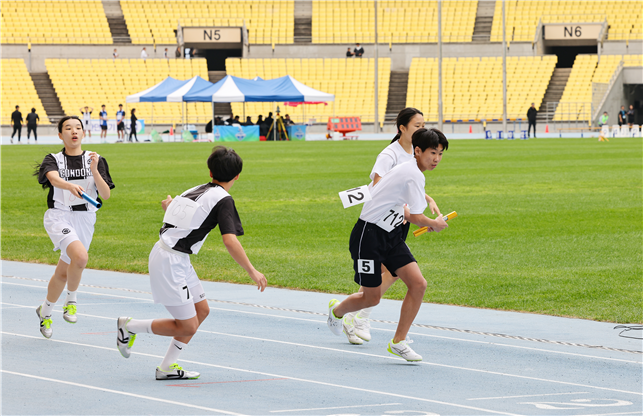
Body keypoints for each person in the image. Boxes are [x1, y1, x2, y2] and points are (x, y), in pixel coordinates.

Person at [116, 146, 267, 380]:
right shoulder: (224, 200)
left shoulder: (195, 189)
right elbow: (229, 240)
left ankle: (166, 367)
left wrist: (169, 207)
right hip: (170, 261)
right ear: (237, 176)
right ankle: (130, 326)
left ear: (210, 172)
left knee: (202, 311)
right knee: (187, 326)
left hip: (175, 257)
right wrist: (252, 270)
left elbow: (177, 218)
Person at [327, 128, 449, 361]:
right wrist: (435, 223)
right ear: (418, 151)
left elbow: (409, 210)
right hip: (368, 235)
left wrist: (427, 218)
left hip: (391, 235)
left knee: (418, 284)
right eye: (432, 153)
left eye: (440, 154)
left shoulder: (412, 170)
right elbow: (415, 216)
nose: (436, 159)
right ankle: (337, 311)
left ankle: (398, 342)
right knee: (371, 298)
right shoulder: (412, 172)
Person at [33, 116, 115, 339]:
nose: (74, 131)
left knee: (62, 272)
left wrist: (95, 170)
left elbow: (105, 195)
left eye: (78, 127)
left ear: (83, 133)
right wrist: (69, 186)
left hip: (86, 219)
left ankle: (45, 312)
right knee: (80, 257)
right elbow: (53, 179)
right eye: (68, 128)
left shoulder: (96, 159)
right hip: (59, 216)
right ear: (60, 134)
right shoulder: (54, 159)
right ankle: (72, 300)